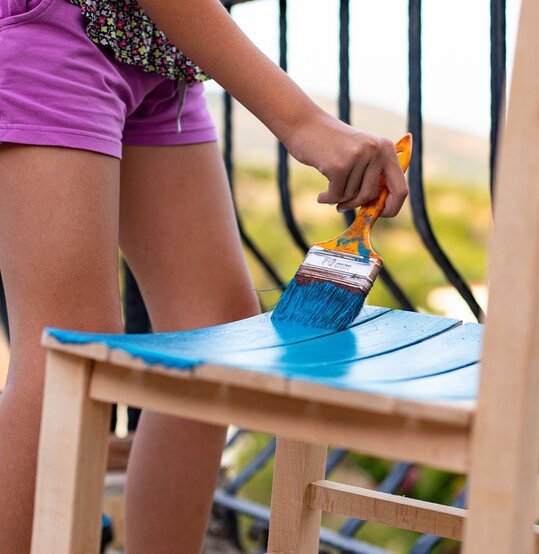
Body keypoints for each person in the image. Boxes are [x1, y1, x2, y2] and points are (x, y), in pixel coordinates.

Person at [0, 0, 409, 550]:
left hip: (158, 50)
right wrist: (305, 122)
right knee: (69, 348)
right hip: (52, 28)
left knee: (214, 338)